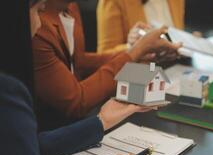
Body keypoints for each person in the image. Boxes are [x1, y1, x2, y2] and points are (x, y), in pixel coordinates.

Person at [0, 0, 154, 155]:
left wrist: (101, 121)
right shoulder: (7, 94)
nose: (38, 24)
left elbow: (26, 148)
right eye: (37, 11)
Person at [32, 0, 180, 129]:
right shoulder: (38, 27)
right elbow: (77, 102)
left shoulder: (70, 7)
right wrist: (137, 50)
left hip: (76, 120)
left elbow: (78, 62)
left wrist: (136, 51)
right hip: (52, 126)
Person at [97, 0, 185, 53]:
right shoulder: (112, 1)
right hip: (139, 74)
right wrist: (131, 47)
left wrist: (189, 40)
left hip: (173, 69)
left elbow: (174, 35)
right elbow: (103, 57)